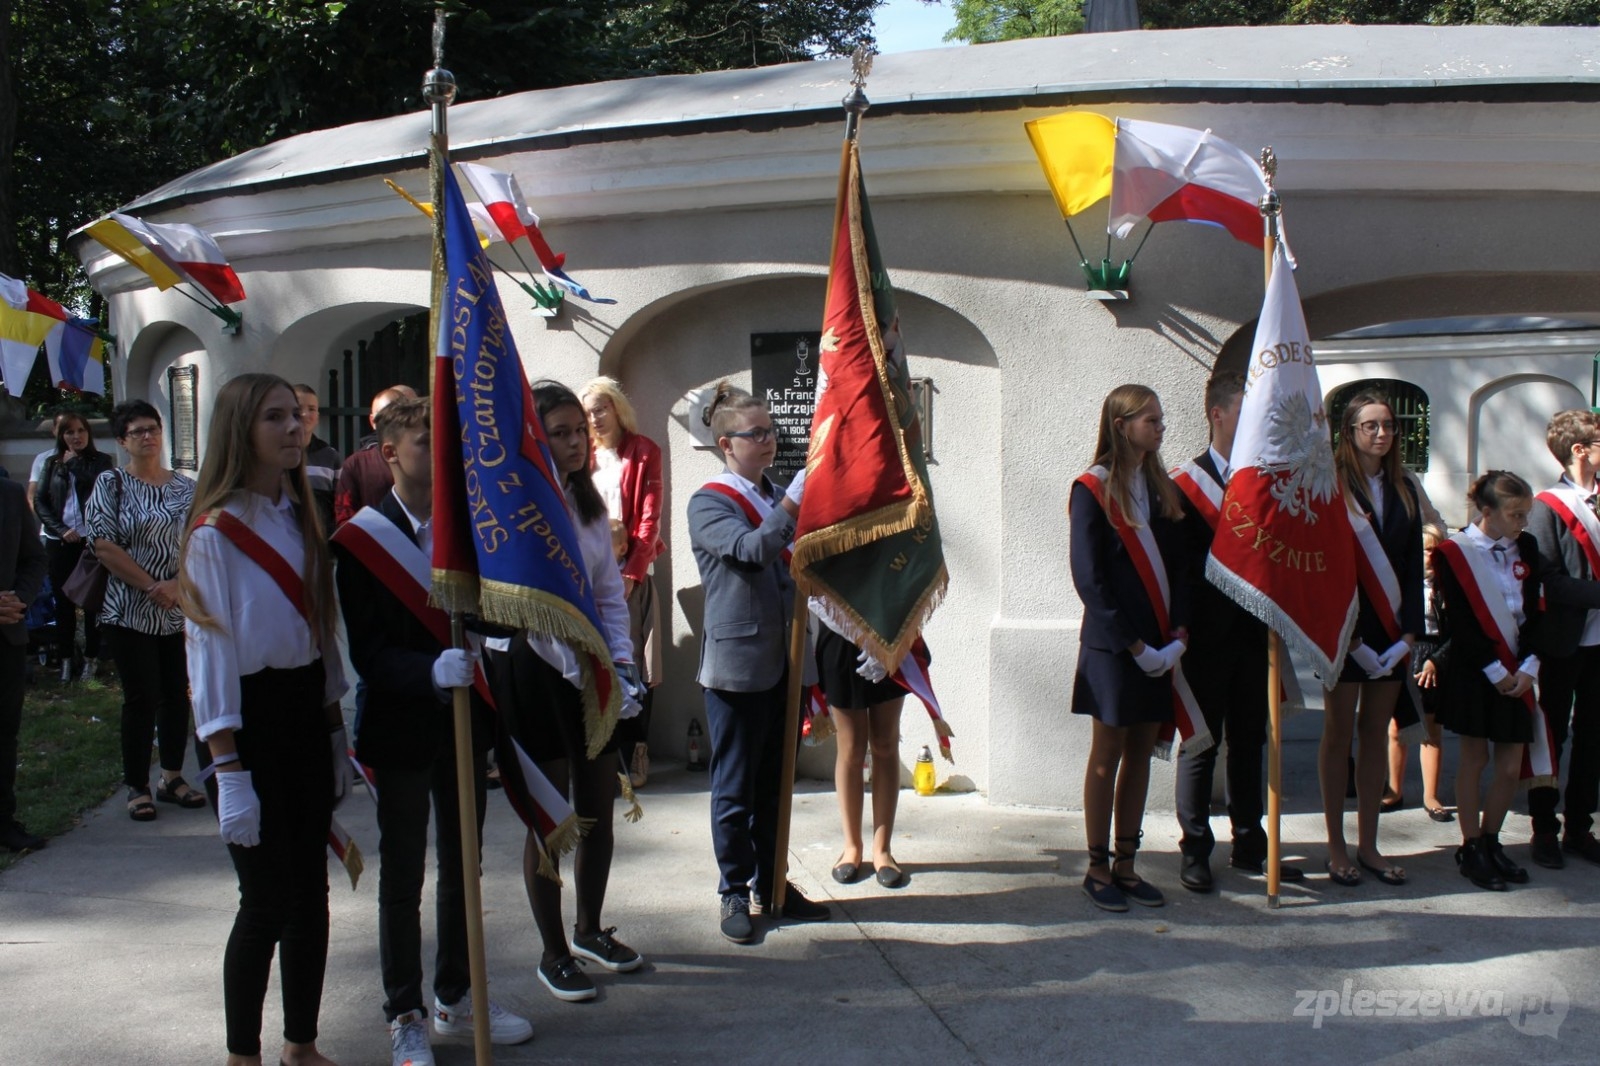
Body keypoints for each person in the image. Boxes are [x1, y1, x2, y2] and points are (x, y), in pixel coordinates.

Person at [331, 396, 531, 1065]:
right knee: (404, 873)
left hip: (464, 721)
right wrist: (428, 670)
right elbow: (368, 652)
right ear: (390, 453)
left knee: (464, 865)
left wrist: (512, 604)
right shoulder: (363, 540)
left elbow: (496, 613)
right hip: (402, 723)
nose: (443, 455)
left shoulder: (466, 527)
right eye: (427, 443)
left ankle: (455, 995)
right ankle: (404, 1012)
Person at [180, 373, 351, 1066]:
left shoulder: (299, 515)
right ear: (239, 431)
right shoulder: (214, 533)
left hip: (304, 713)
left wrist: (334, 728)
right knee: (265, 902)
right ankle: (241, 1056)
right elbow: (210, 653)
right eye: (274, 417)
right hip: (247, 725)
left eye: (295, 416)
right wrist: (227, 767)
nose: (292, 428)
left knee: (311, 896)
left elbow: (319, 632)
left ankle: (300, 1046)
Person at [484, 380, 645, 1003]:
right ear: (533, 438)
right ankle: (553, 952)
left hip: (592, 669)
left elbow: (608, 593)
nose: (577, 442)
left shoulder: (589, 503)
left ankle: (589, 929)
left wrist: (622, 662)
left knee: (598, 808)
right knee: (551, 821)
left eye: (581, 430)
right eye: (560, 433)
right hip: (532, 670)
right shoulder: (512, 504)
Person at [688, 381, 831, 943]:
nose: (768, 440)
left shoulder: (776, 495)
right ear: (727, 443)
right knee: (735, 787)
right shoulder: (710, 502)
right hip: (737, 666)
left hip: (786, 659)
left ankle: (772, 884)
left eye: (771, 431)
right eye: (756, 433)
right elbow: (750, 552)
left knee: (775, 784)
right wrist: (794, 502)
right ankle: (732, 889)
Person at [1169, 371, 1302, 891]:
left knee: (1250, 742)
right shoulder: (1184, 484)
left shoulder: (1269, 482)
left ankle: (1250, 842)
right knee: (1201, 744)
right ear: (1217, 414)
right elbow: (1179, 568)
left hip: (1254, 634)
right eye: (1246, 414)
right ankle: (1195, 849)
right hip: (1203, 638)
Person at [1069, 384, 1187, 912]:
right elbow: (1089, 579)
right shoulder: (1091, 488)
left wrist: (1178, 635)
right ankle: (1097, 866)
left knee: (1141, 753)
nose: (1160, 428)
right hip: (1114, 649)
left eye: (1160, 420)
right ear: (1121, 425)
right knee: (1107, 754)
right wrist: (1136, 646)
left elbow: (1181, 568)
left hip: (1161, 646)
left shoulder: (1163, 488)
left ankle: (1126, 863)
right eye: (1150, 420)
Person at [1321, 390, 1422, 888]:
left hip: (1392, 633)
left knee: (1377, 734)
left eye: (1388, 425)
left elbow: (1412, 566)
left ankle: (1368, 846)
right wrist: (1354, 639)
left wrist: (1409, 635)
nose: (1382, 434)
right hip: (1345, 631)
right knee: (1338, 735)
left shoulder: (1405, 487)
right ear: (1349, 432)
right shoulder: (1330, 487)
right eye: (1371, 426)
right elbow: (1326, 569)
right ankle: (1336, 848)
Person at [85, 401, 204, 823]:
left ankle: (171, 776)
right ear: (122, 440)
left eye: (153, 428)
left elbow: (201, 540)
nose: (148, 436)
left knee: (176, 694)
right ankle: (137, 785)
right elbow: (103, 545)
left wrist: (176, 585)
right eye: (137, 431)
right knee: (141, 697)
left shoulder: (186, 487)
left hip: (177, 607)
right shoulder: (111, 483)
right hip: (128, 610)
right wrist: (153, 586)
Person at [1432, 472, 1542, 891]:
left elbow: (1535, 611)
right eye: (1515, 515)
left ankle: (1492, 840)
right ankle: (1471, 846)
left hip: (1519, 670)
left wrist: (1529, 665)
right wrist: (1495, 671)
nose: (1522, 523)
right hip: (1476, 671)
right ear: (1486, 511)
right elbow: (1459, 621)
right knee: (1475, 759)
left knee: (1510, 766)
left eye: (1526, 514)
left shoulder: (1526, 547)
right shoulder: (1455, 553)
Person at [582, 376, 665, 788]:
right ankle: (601, 752)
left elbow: (649, 519)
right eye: (588, 412)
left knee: (634, 662)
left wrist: (631, 573)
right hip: (588, 576)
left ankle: (637, 751)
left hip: (629, 574)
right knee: (591, 661)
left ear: (616, 408)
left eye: (600, 408)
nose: (594, 418)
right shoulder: (582, 456)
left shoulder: (644, 451)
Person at [1527, 408, 1600, 869]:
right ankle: (1543, 828)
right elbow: (1547, 579)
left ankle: (1579, 827)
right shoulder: (1546, 506)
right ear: (1580, 451)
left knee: (1594, 737)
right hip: (1563, 641)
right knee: (1551, 736)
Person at [818, 613, 908, 889]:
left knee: (885, 742)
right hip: (839, 631)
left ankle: (882, 850)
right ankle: (852, 847)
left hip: (890, 630)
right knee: (851, 748)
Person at [33, 411, 114, 681]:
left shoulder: (101, 461)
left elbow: (101, 489)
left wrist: (75, 465)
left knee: (92, 602)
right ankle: (66, 659)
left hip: (91, 541)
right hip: (61, 541)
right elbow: (40, 502)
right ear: (61, 436)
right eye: (69, 432)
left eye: (81, 431)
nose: (76, 436)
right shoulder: (51, 463)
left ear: (88, 433)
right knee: (63, 602)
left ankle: (92, 658)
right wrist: (60, 529)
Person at [1383, 522, 1453, 823]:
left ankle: (1431, 795)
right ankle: (1394, 790)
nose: (1430, 556)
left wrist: (1437, 660)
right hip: (1405, 653)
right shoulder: (1402, 583)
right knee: (1397, 727)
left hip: (1434, 656)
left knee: (1431, 728)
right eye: (1425, 550)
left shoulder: (1449, 586)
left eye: (1436, 550)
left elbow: (1456, 631)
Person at [0, 476, 48, 852]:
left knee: (4, 734)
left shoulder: (11, 494)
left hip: (7, 636)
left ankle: (3, 822)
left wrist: (20, 598)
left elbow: (34, 558)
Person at [609, 518, 662, 789]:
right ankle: (610, 769)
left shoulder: (640, 582)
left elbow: (651, 624)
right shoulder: (591, 579)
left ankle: (637, 760)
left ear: (622, 548)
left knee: (636, 717)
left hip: (633, 661)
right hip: (603, 662)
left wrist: (651, 668)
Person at [334, 385, 417, 526]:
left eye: (398, 414)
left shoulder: (424, 458)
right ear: (373, 421)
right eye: (384, 416)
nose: (392, 421)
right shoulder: (357, 464)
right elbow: (344, 516)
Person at [293, 384, 343, 535]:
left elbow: (339, 504)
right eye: (298, 409)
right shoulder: (274, 454)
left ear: (317, 418)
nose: (305, 414)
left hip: (321, 540)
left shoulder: (330, 456)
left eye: (311, 409)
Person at [25, 412, 66, 511]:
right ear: (54, 431)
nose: (66, 433)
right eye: (62, 428)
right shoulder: (43, 459)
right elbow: (31, 496)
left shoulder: (94, 460)